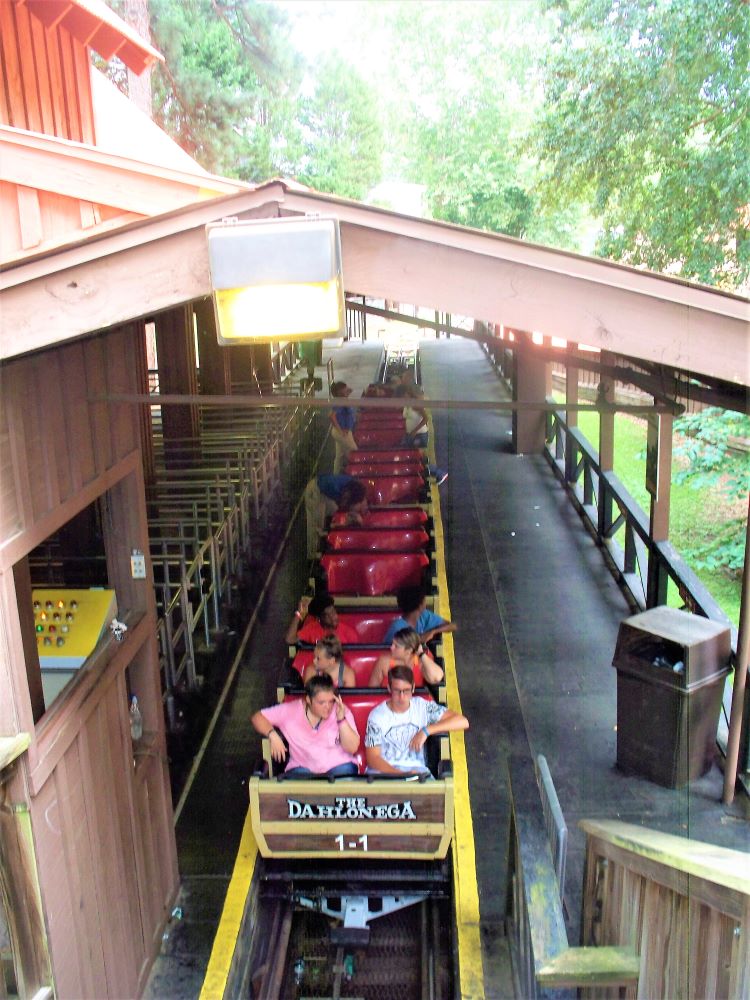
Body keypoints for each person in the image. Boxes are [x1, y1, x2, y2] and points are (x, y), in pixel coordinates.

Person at [365, 665, 469, 776]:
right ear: (389, 688)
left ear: (413, 688)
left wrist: (426, 730)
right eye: (397, 691)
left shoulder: (422, 707)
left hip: (417, 770)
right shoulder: (376, 715)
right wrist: (400, 775)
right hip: (384, 773)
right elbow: (373, 758)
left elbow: (462, 721)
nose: (402, 697)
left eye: (406, 691)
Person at [251, 674, 359, 778]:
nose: (328, 707)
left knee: (347, 777)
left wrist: (341, 720)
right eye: (321, 703)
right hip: (302, 767)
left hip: (339, 765)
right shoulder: (290, 710)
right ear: (308, 699)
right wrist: (272, 735)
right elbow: (257, 717)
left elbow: (352, 748)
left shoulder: (340, 710)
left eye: (331, 701)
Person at [303, 474, 368, 559]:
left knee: (333, 512)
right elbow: (344, 503)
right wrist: (354, 517)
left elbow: (349, 504)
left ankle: (325, 532)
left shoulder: (352, 484)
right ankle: (312, 554)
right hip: (315, 492)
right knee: (315, 524)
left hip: (321, 491)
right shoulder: (340, 490)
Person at [397, 384, 448, 485]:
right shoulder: (407, 404)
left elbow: (426, 418)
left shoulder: (416, 404)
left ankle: (439, 473)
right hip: (410, 435)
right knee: (411, 456)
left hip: (419, 435)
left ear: (408, 394)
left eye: (403, 395)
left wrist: (414, 431)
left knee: (418, 458)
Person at [367, 627, 444, 687]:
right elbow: (372, 691)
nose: (391, 647)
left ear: (408, 651)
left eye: (396, 646)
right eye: (393, 644)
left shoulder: (421, 661)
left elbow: (437, 677)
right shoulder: (384, 661)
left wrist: (421, 654)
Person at [382, 585, 457, 646]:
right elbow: (391, 651)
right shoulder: (397, 627)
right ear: (420, 605)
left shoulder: (424, 615)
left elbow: (452, 626)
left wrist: (433, 631)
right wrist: (419, 639)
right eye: (424, 600)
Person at [285, 592, 360, 645]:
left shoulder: (349, 634)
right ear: (319, 619)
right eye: (327, 615)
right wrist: (299, 613)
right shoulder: (312, 628)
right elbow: (289, 639)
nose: (333, 617)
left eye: (333, 612)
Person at [329, 381, 358, 474]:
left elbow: (350, 390)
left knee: (339, 457)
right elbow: (331, 416)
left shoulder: (343, 399)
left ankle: (336, 476)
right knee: (354, 451)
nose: (347, 390)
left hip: (339, 431)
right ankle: (356, 473)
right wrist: (341, 431)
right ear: (340, 392)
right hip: (342, 432)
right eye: (345, 390)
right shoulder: (340, 402)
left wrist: (346, 393)